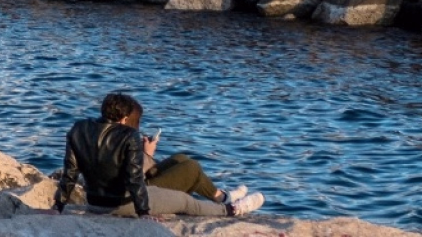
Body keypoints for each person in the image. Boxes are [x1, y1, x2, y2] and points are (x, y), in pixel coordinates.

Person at [53, 92, 264, 218]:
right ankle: (231, 210)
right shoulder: (129, 136)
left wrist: (58, 207)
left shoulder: (78, 129)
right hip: (122, 204)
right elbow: (135, 180)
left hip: (94, 203)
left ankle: (223, 198)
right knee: (185, 202)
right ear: (125, 118)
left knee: (182, 163)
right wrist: (144, 213)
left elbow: (69, 174)